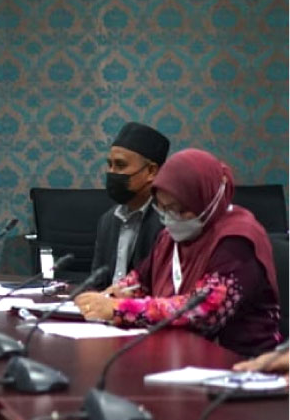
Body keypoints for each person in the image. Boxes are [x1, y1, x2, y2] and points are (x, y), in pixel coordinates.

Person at [75, 149, 282, 356]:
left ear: (206, 200)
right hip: (180, 354)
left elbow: (203, 311)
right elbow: (140, 281)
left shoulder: (237, 241)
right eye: (164, 209)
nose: (171, 218)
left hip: (240, 360)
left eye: (180, 210)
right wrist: (107, 296)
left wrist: (119, 309)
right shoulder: (170, 237)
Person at [89, 122, 169, 289]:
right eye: (110, 165)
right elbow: (97, 282)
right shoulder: (108, 220)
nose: (112, 173)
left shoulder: (169, 222)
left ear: (151, 171)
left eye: (120, 165)